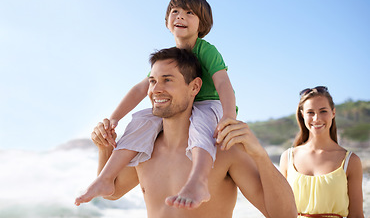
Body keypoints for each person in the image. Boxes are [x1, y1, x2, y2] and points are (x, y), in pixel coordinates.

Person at [81, 47, 297, 217]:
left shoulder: (224, 150)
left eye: (167, 80)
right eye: (153, 81)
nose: (155, 89)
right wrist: (104, 148)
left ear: (194, 87)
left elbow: (285, 215)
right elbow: (112, 192)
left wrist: (259, 155)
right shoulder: (143, 150)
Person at [75, 0, 237, 209]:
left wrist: (228, 116)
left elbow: (223, 83)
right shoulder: (169, 58)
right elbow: (140, 89)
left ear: (202, 24)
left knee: (200, 125)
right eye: (175, 11)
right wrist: (114, 119)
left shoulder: (206, 50)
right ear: (167, 22)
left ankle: (198, 180)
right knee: (142, 119)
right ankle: (105, 178)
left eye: (189, 13)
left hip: (209, 103)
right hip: (178, 107)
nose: (180, 16)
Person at [279, 86, 364, 217]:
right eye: (310, 112)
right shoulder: (288, 157)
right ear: (302, 115)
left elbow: (357, 215)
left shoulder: (351, 161)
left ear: (333, 113)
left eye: (323, 111)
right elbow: (279, 209)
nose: (317, 118)